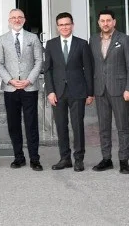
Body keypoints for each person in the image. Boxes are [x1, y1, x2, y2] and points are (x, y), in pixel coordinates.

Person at [44, 12, 94, 172]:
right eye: (61, 25)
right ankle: (65, 158)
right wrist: (50, 91)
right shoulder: (51, 44)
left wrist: (90, 93)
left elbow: (88, 69)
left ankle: (79, 159)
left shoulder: (82, 44)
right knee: (61, 126)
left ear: (72, 25)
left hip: (78, 91)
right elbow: (48, 70)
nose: (64, 27)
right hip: (58, 92)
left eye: (67, 24)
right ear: (57, 27)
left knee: (77, 126)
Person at [0, 9, 44, 171]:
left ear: (24, 19)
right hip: (11, 88)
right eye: (13, 18)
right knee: (13, 124)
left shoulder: (33, 38)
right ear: (9, 20)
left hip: (29, 87)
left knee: (31, 124)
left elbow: (39, 61)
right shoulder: (2, 39)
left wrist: (29, 80)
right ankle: (19, 157)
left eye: (19, 17)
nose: (17, 20)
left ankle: (34, 159)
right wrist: (10, 80)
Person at [89, 9, 129, 174]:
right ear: (98, 23)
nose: (105, 23)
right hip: (100, 89)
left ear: (114, 22)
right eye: (102, 21)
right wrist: (91, 90)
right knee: (103, 127)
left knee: (122, 127)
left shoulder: (124, 39)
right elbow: (92, 65)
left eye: (108, 20)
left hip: (119, 90)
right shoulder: (93, 40)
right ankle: (106, 159)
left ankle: (124, 161)